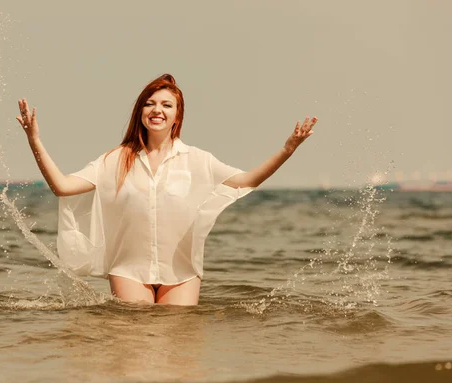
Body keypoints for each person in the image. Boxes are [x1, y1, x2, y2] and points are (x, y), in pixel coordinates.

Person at [16, 74, 317, 306]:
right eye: (150, 103)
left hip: (182, 274)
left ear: (177, 116)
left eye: (166, 105)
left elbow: (247, 181)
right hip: (128, 270)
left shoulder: (198, 160)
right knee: (135, 345)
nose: (157, 110)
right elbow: (62, 187)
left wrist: (287, 150)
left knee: (177, 353)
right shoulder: (114, 160)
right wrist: (34, 141)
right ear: (140, 111)